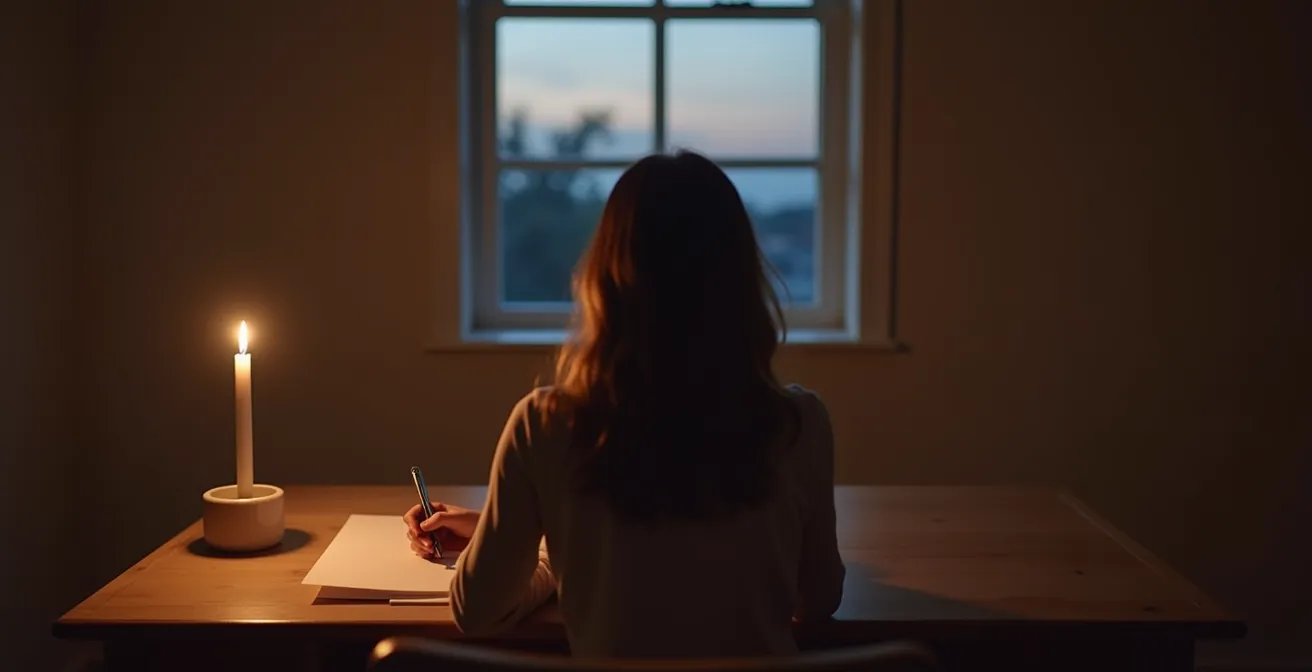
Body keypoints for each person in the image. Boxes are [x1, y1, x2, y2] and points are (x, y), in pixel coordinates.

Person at [403, 150, 844, 658]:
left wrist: (546, 539)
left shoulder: (544, 425)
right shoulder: (798, 423)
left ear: (606, 277)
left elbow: (477, 612)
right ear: (741, 280)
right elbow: (819, 599)